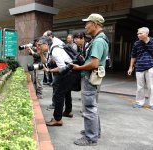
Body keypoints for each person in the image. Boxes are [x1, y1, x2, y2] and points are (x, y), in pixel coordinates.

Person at [71, 13, 109, 146]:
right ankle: (94, 131)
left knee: (89, 107)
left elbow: (94, 64)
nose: (86, 26)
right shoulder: (100, 38)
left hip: (90, 77)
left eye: (87, 23)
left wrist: (79, 67)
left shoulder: (98, 41)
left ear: (95, 24)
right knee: (93, 106)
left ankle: (90, 138)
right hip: (95, 77)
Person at [37, 35, 78, 126]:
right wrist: (40, 53)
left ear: (46, 44)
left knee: (58, 94)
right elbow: (47, 63)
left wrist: (50, 70)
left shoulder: (55, 51)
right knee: (66, 93)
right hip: (71, 71)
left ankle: (57, 119)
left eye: (39, 45)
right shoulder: (52, 49)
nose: (38, 47)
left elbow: (62, 68)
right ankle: (68, 112)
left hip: (69, 72)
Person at [127, 27, 153, 110]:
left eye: (140, 33)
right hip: (139, 67)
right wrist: (130, 67)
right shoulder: (136, 43)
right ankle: (139, 102)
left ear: (146, 33)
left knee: (151, 86)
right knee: (140, 87)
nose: (138, 35)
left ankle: (152, 103)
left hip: (151, 66)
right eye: (138, 34)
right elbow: (133, 56)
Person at [41, 30, 65, 110]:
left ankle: (57, 109)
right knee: (62, 90)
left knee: (58, 89)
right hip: (62, 68)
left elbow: (62, 66)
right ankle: (67, 110)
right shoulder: (54, 45)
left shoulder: (56, 46)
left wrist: (50, 70)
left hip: (63, 70)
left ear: (50, 37)